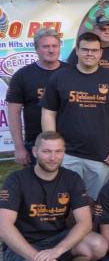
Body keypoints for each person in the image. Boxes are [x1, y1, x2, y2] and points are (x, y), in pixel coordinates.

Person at [0, 131, 107, 261]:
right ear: (35, 152)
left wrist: (56, 251)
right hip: (24, 243)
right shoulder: (16, 180)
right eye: (47, 151)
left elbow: (85, 222)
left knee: (98, 245)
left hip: (57, 239)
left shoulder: (71, 178)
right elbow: (4, 227)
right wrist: (37, 257)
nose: (53, 157)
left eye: (58, 151)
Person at [41, 32, 109, 200]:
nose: (90, 54)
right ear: (77, 51)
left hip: (101, 156)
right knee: (65, 201)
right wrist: (53, 146)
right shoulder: (60, 77)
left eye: (94, 50)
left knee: (95, 203)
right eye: (85, 49)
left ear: (100, 53)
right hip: (67, 154)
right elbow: (48, 112)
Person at [7, 27, 67, 166]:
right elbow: (14, 113)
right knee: (39, 180)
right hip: (36, 144)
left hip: (71, 144)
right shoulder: (22, 76)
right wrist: (19, 147)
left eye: (55, 46)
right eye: (46, 46)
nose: (51, 50)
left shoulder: (71, 72)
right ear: (36, 49)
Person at [67, 14, 109, 78]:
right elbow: (70, 72)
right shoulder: (82, 49)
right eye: (103, 29)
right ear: (94, 30)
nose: (107, 32)